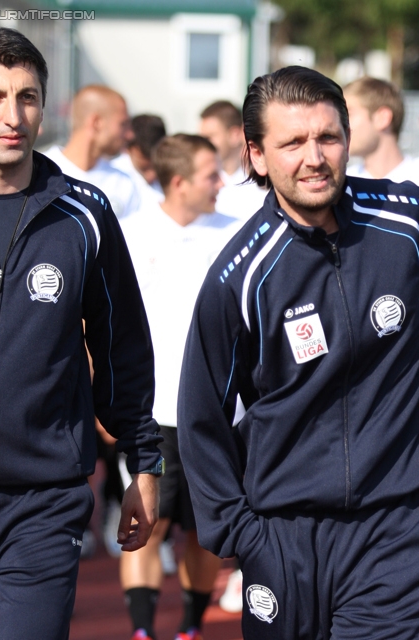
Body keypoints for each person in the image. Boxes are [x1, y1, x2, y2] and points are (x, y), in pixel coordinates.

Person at [178, 65, 419, 640]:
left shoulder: (406, 225)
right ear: (257, 155)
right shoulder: (238, 278)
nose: (315, 157)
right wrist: (240, 532)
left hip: (395, 531)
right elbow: (201, 413)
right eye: (293, 143)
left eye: (328, 137)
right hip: (282, 537)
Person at [0, 27, 162, 640]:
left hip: (42, 503)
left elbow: (122, 346)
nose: (13, 114)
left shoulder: (84, 213)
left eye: (27, 96)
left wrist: (142, 466)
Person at [119, 134, 242, 640]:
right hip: (151, 412)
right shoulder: (129, 233)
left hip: (218, 416)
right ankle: (143, 631)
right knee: (147, 524)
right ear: (178, 182)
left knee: (204, 530)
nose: (222, 182)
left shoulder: (236, 234)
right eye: (211, 174)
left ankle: (191, 626)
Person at [44, 84, 140, 218]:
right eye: (122, 124)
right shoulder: (42, 172)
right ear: (96, 123)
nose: (130, 135)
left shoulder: (124, 183)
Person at [199, 100, 266, 221]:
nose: (203, 144)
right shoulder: (199, 185)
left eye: (209, 137)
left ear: (235, 135)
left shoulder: (262, 185)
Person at [344, 76, 419, 182]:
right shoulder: (343, 183)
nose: (341, 125)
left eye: (348, 114)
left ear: (382, 118)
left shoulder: (416, 176)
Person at [111, 113, 166, 206]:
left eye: (157, 159)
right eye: (145, 158)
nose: (152, 173)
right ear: (129, 149)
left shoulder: (170, 174)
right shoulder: (113, 178)